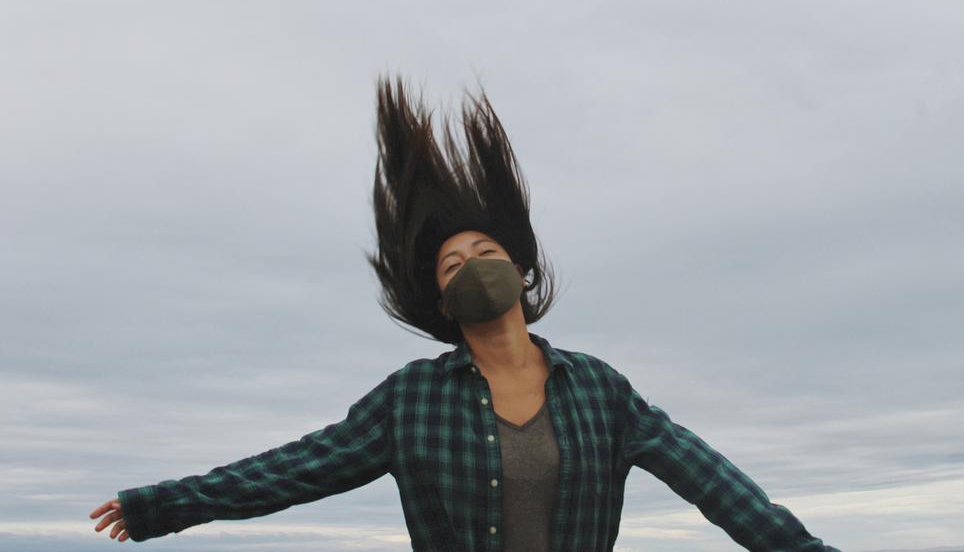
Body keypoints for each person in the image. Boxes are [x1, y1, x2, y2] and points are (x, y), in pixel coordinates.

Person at [90, 74, 840, 550]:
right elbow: (293, 468)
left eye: (485, 251)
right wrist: (168, 505)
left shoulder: (602, 392)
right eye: (452, 264)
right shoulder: (410, 400)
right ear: (441, 300)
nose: (471, 265)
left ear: (520, 267)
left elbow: (715, 483)